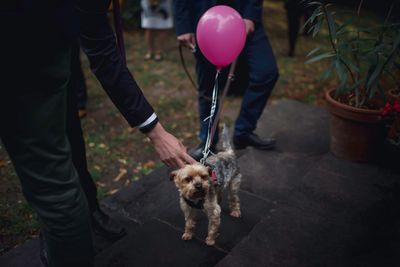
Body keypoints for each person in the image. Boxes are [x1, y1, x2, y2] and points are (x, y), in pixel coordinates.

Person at [0, 1, 195, 266]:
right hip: (20, 51)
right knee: (55, 191)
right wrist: (156, 132)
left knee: (70, 137)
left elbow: (101, 46)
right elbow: (103, 53)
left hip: (53, 43)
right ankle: (58, 232)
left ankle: (89, 210)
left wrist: (155, 130)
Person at [173, 0, 279, 160]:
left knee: (266, 72)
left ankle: (243, 132)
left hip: (244, 17)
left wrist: (250, 15)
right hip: (205, 19)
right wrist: (183, 25)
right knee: (208, 87)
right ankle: (207, 142)